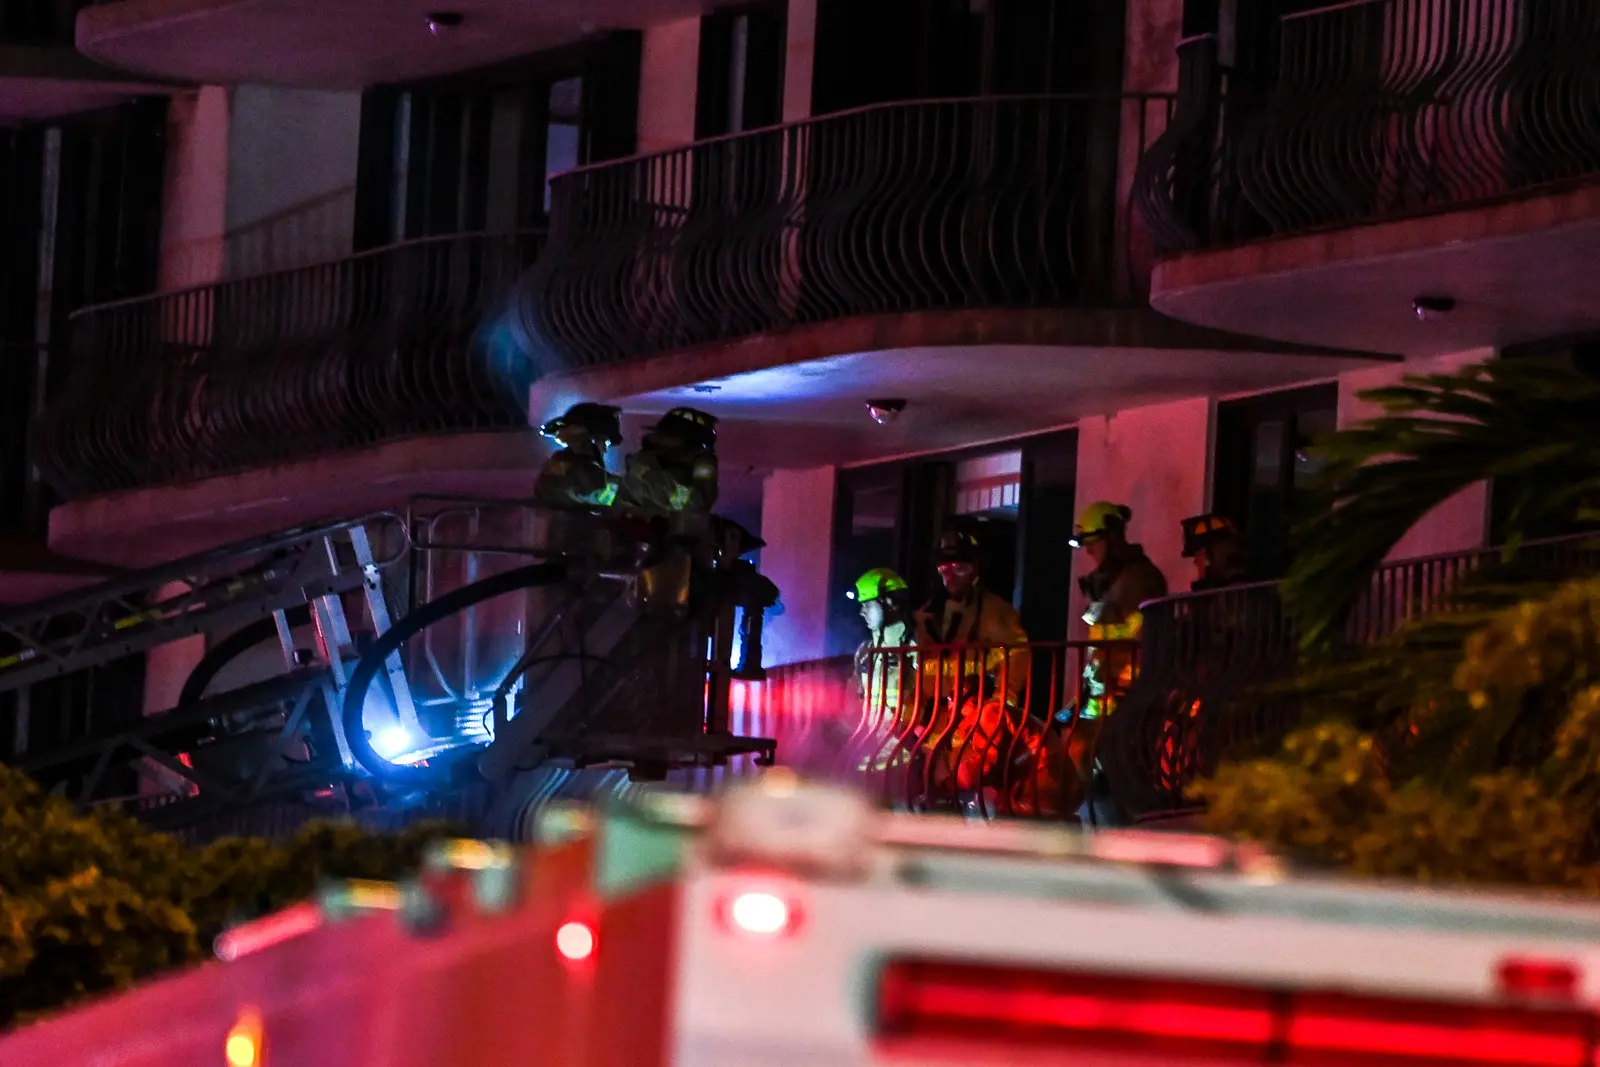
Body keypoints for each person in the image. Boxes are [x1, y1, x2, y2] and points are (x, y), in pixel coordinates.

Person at [914, 524, 1033, 813]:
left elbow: (1017, 655)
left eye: (960, 567)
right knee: (934, 795)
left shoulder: (996, 611)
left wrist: (1000, 705)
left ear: (976, 568)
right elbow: (916, 666)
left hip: (975, 718)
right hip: (933, 719)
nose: (951, 574)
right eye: (945, 566)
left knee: (970, 789)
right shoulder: (926, 614)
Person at [1067, 501, 1168, 812]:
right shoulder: (1109, 583)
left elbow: (1139, 638)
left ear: (1111, 537)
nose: (1089, 552)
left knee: (1119, 769)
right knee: (1081, 756)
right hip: (1101, 690)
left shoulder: (1139, 580)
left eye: (1093, 544)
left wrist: (1122, 689)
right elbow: (1097, 633)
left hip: (1126, 692)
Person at [846, 568, 918, 772]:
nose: (862, 612)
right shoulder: (865, 651)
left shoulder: (915, 647)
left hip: (905, 755)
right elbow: (854, 700)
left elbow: (929, 696)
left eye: (868, 605)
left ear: (890, 603)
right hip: (873, 750)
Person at [618, 407, 719, 512]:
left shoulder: (701, 464)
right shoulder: (642, 460)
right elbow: (614, 497)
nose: (657, 439)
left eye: (664, 436)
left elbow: (697, 503)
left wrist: (649, 476)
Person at [532, 403, 622, 507]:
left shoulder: (556, 463)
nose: (605, 450)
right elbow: (601, 495)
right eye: (605, 442)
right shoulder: (586, 472)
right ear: (591, 440)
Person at [1181, 512, 1249, 591]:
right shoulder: (1251, 593)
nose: (1195, 562)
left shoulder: (1231, 595)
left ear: (1208, 557)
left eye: (1197, 555)